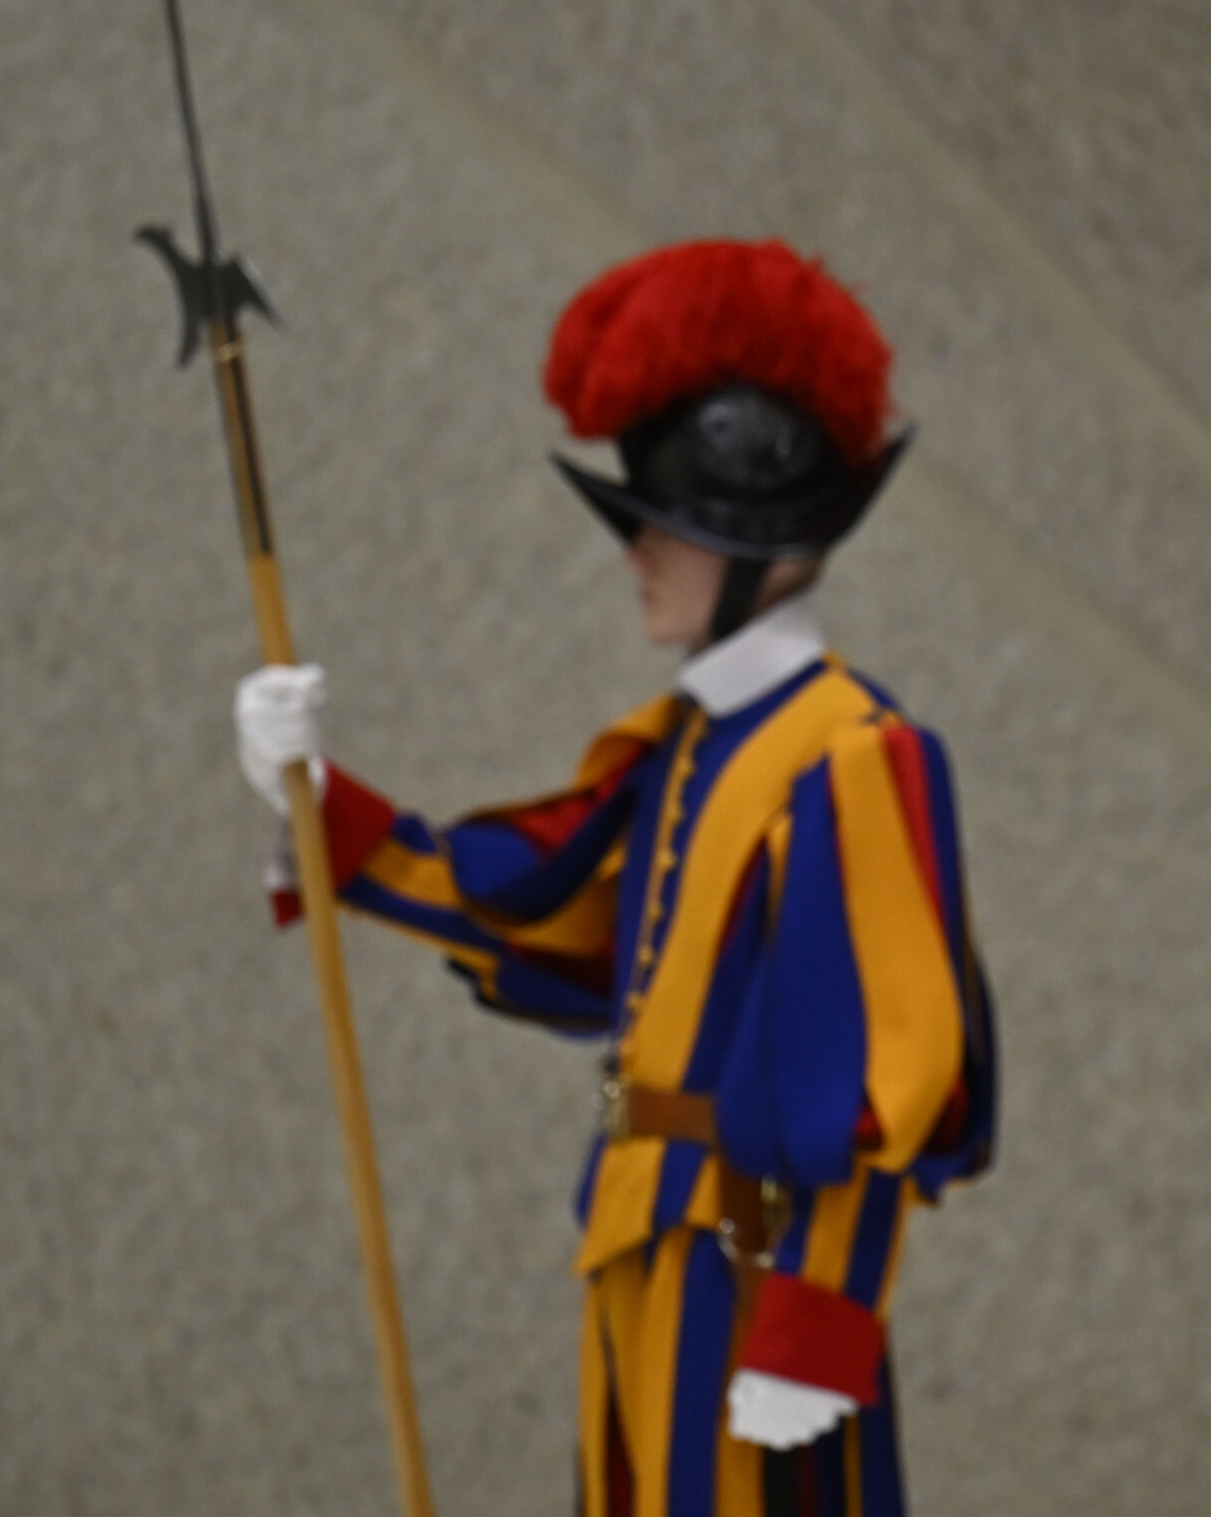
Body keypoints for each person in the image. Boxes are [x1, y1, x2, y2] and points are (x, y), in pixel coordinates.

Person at [233, 239, 996, 1517]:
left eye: (668, 528)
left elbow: (892, 1079)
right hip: (638, 1232)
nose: (638, 554)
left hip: (754, 1259)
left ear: (759, 544)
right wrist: (313, 803)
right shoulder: (687, 751)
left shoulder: (858, 755)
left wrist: (821, 1315)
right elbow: (549, 910)